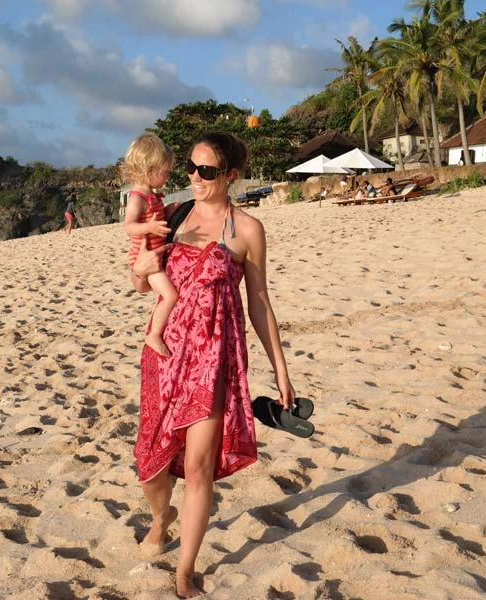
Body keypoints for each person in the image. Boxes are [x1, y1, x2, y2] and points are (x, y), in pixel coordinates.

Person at [130, 131, 295, 598]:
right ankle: (162, 517)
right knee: (152, 466)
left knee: (200, 468)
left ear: (231, 176)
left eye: (206, 171)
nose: (194, 177)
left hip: (214, 360)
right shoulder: (172, 216)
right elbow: (143, 283)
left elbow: (258, 302)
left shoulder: (247, 230)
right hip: (164, 355)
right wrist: (140, 271)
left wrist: (281, 371)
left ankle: (186, 569)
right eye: (190, 167)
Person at [122, 132, 178, 357]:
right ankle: (154, 334)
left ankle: (158, 330)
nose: (167, 176)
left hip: (155, 256)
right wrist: (150, 229)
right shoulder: (137, 198)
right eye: (165, 172)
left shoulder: (152, 196)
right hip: (145, 259)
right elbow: (130, 226)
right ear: (149, 171)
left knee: (161, 296)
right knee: (170, 296)